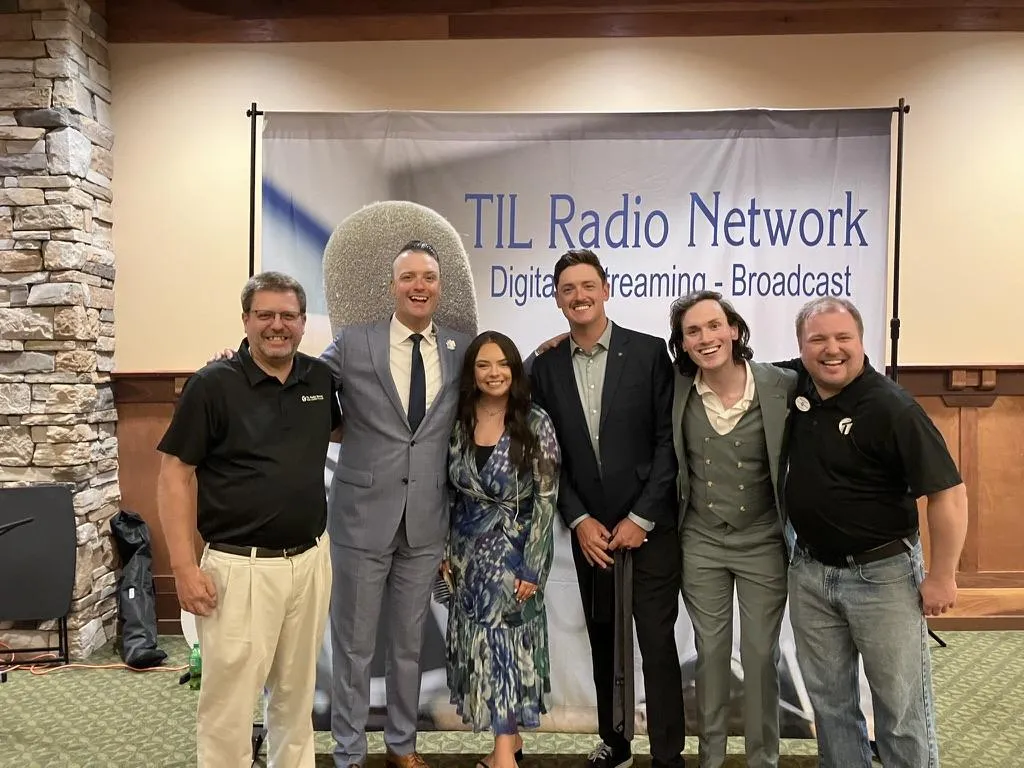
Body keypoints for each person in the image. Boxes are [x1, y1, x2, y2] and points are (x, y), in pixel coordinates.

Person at [157, 271, 338, 768]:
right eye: (265, 315)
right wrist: (183, 567)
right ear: (246, 320)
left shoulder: (319, 380)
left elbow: (349, 430)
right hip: (239, 570)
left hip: (309, 563)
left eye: (288, 316)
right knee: (229, 707)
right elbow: (174, 477)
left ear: (303, 323)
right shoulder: (212, 385)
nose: (277, 325)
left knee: (296, 699)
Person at [782, 297, 968, 768]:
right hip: (809, 573)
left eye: (843, 338)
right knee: (830, 705)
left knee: (900, 708)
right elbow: (729, 368)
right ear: (801, 347)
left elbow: (948, 494)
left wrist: (943, 576)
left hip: (883, 577)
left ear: (862, 342)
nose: (831, 349)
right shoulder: (793, 383)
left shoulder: (893, 408)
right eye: (818, 339)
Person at [530, 249, 686, 768]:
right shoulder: (546, 367)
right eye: (568, 289)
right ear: (557, 299)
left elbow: (668, 443)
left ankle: (667, 754)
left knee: (656, 643)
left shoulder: (649, 353)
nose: (579, 296)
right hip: (592, 533)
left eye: (587, 286)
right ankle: (614, 742)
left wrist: (641, 518)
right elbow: (547, 455)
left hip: (649, 528)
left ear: (606, 289)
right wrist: (578, 519)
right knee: (604, 641)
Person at [322, 240, 473, 768]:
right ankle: (348, 751)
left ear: (439, 286)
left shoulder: (459, 348)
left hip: (427, 521)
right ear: (392, 286)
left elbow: (503, 380)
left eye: (428, 277)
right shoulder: (353, 342)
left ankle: (402, 746)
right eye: (408, 277)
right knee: (354, 646)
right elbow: (300, 384)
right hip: (361, 518)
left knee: (409, 647)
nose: (418, 286)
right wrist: (239, 358)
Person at [667, 291, 796, 768]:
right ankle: (712, 758)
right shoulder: (675, 388)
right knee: (711, 654)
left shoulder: (781, 384)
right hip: (701, 539)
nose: (705, 338)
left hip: (762, 538)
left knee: (761, 656)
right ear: (682, 344)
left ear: (734, 330)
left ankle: (763, 760)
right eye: (693, 331)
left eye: (714, 326)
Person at [443, 331, 561, 768]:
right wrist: (445, 551)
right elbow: (450, 494)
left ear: (514, 369)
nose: (494, 373)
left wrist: (533, 567)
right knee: (480, 651)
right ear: (472, 373)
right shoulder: (459, 420)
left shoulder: (536, 422)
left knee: (506, 654)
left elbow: (546, 500)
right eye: (483, 365)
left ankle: (504, 758)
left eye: (502, 364)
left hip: (514, 559)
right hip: (466, 559)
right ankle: (507, 748)